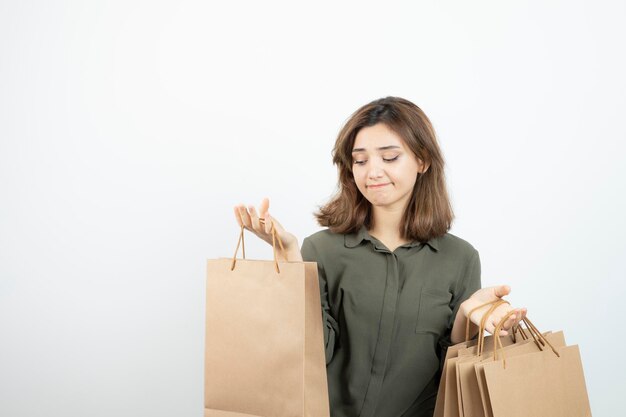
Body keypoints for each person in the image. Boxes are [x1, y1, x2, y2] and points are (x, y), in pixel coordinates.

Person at [233, 96, 526, 417]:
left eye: (389, 157)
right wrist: (287, 254)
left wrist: (467, 318)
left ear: (422, 160)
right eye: (360, 161)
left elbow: (454, 378)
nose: (373, 171)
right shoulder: (320, 250)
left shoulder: (461, 258)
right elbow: (312, 353)